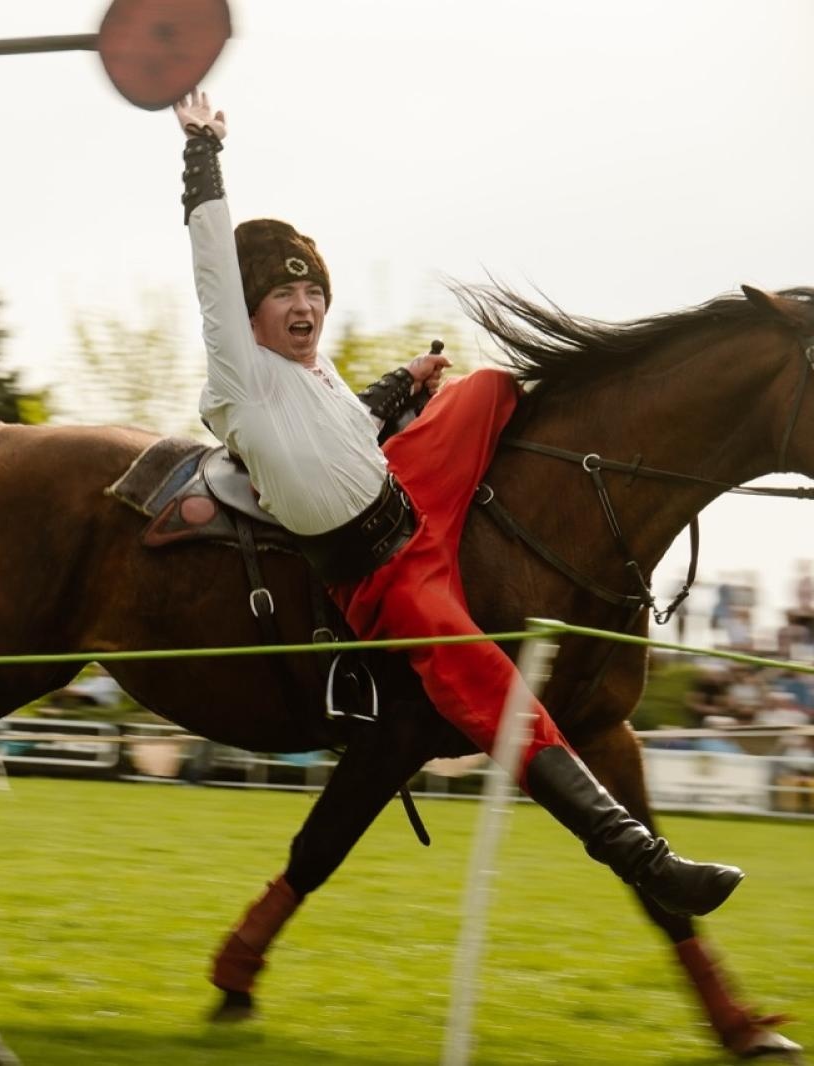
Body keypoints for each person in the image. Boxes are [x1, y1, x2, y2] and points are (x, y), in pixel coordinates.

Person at [169, 90, 742, 996]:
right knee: (486, 684)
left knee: (488, 390)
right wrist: (203, 151)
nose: (306, 303)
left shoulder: (312, 382)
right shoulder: (241, 382)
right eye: (284, 292)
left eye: (314, 288)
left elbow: (358, 434)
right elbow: (210, 258)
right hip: (386, 576)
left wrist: (408, 381)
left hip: (415, 504)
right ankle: (643, 859)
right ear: (244, 315)